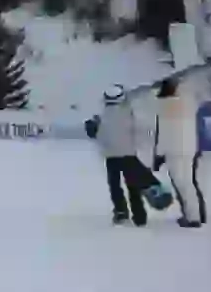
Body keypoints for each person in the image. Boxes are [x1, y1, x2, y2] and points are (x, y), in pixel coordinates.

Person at [85, 84, 149, 226]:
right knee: (133, 185)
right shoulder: (130, 113)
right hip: (129, 155)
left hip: (111, 156)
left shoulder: (102, 117)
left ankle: (121, 212)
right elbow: (140, 131)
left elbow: (100, 137)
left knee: (115, 185)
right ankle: (139, 215)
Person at [152, 77, 205, 228]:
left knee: (181, 183)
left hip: (173, 150)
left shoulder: (163, 107)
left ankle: (191, 217)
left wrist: (158, 155)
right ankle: (195, 215)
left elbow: (163, 133)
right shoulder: (189, 104)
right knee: (189, 183)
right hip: (189, 148)